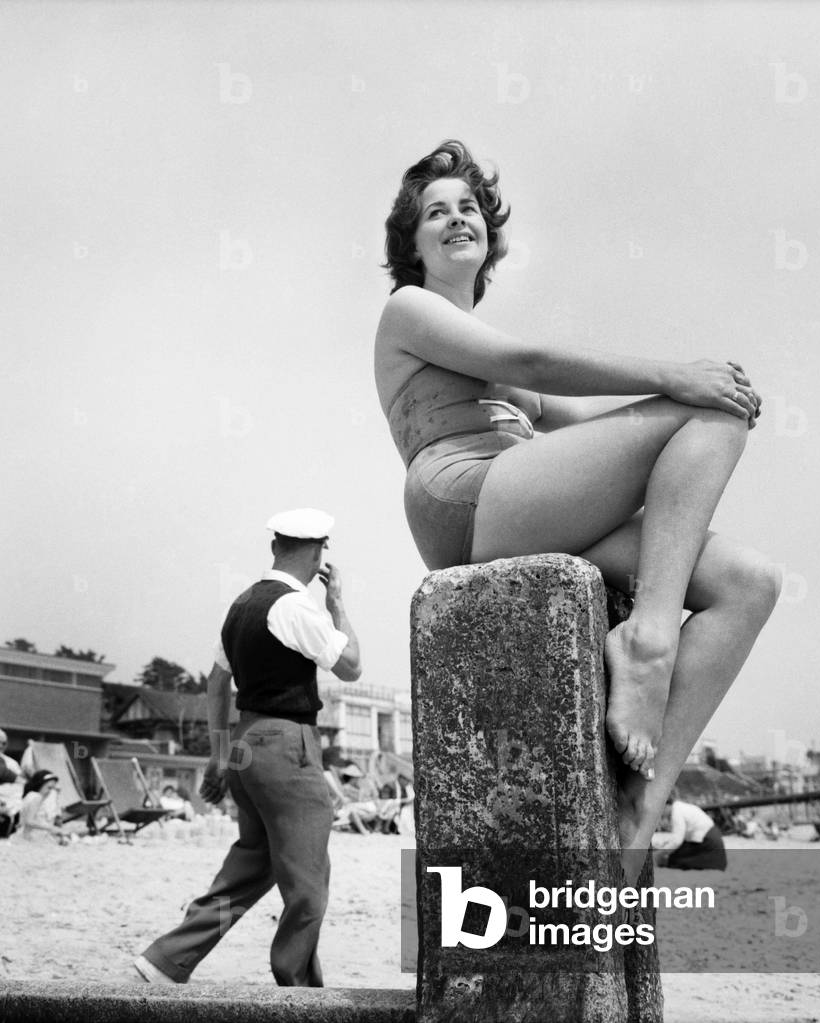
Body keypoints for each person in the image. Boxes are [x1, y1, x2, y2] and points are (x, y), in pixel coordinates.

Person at [375, 140, 782, 883]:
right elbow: (530, 362)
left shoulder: (500, 371)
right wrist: (677, 376)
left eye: (469, 207)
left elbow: (595, 426)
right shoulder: (410, 309)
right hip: (463, 495)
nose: (457, 217)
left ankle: (642, 805)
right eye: (436, 212)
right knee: (707, 405)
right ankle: (649, 643)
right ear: (412, 244)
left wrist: (690, 397)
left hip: (520, 496)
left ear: (489, 234)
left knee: (749, 582)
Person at [135, 508, 362, 987]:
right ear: (321, 551)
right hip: (287, 745)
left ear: (274, 546)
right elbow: (351, 665)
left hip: (243, 743)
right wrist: (338, 601)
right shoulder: (296, 607)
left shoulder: (239, 606)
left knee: (251, 867)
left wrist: (219, 755)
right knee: (308, 878)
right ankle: (295, 983)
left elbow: (217, 684)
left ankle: (165, 960)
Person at [651, 795, 727, 870]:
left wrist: (659, 853)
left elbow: (677, 841)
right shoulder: (680, 806)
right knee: (676, 853)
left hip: (708, 842)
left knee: (675, 859)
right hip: (712, 839)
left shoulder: (676, 812)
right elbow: (680, 837)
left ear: (666, 805)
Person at [19, 769, 66, 843]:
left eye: (53, 789)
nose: (50, 792)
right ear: (40, 784)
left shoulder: (30, 795)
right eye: (49, 788)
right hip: (32, 836)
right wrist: (51, 827)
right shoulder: (37, 797)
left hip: (25, 834)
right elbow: (29, 821)